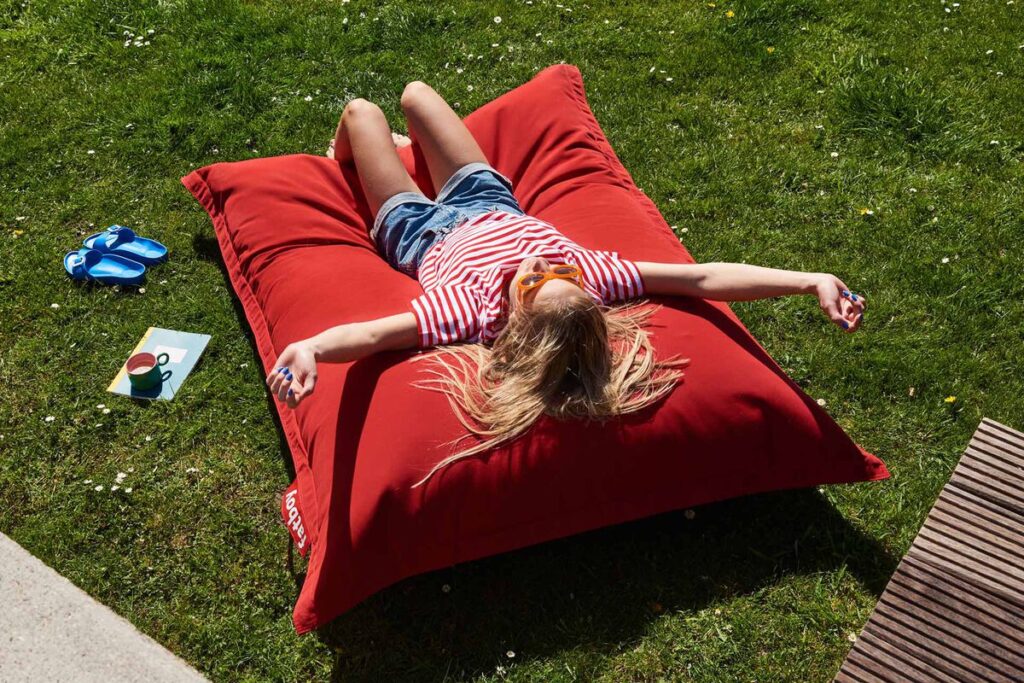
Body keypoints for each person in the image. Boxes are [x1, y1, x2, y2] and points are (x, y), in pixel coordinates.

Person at [266, 81, 867, 486]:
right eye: (561, 272)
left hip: (419, 230)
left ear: (519, 323)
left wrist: (314, 347)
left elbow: (371, 335)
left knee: (361, 112)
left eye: (539, 282)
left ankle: (341, 156)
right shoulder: (595, 279)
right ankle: (398, 150)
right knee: (417, 94)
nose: (545, 266)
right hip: (488, 197)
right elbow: (703, 276)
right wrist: (808, 279)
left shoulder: (469, 309)